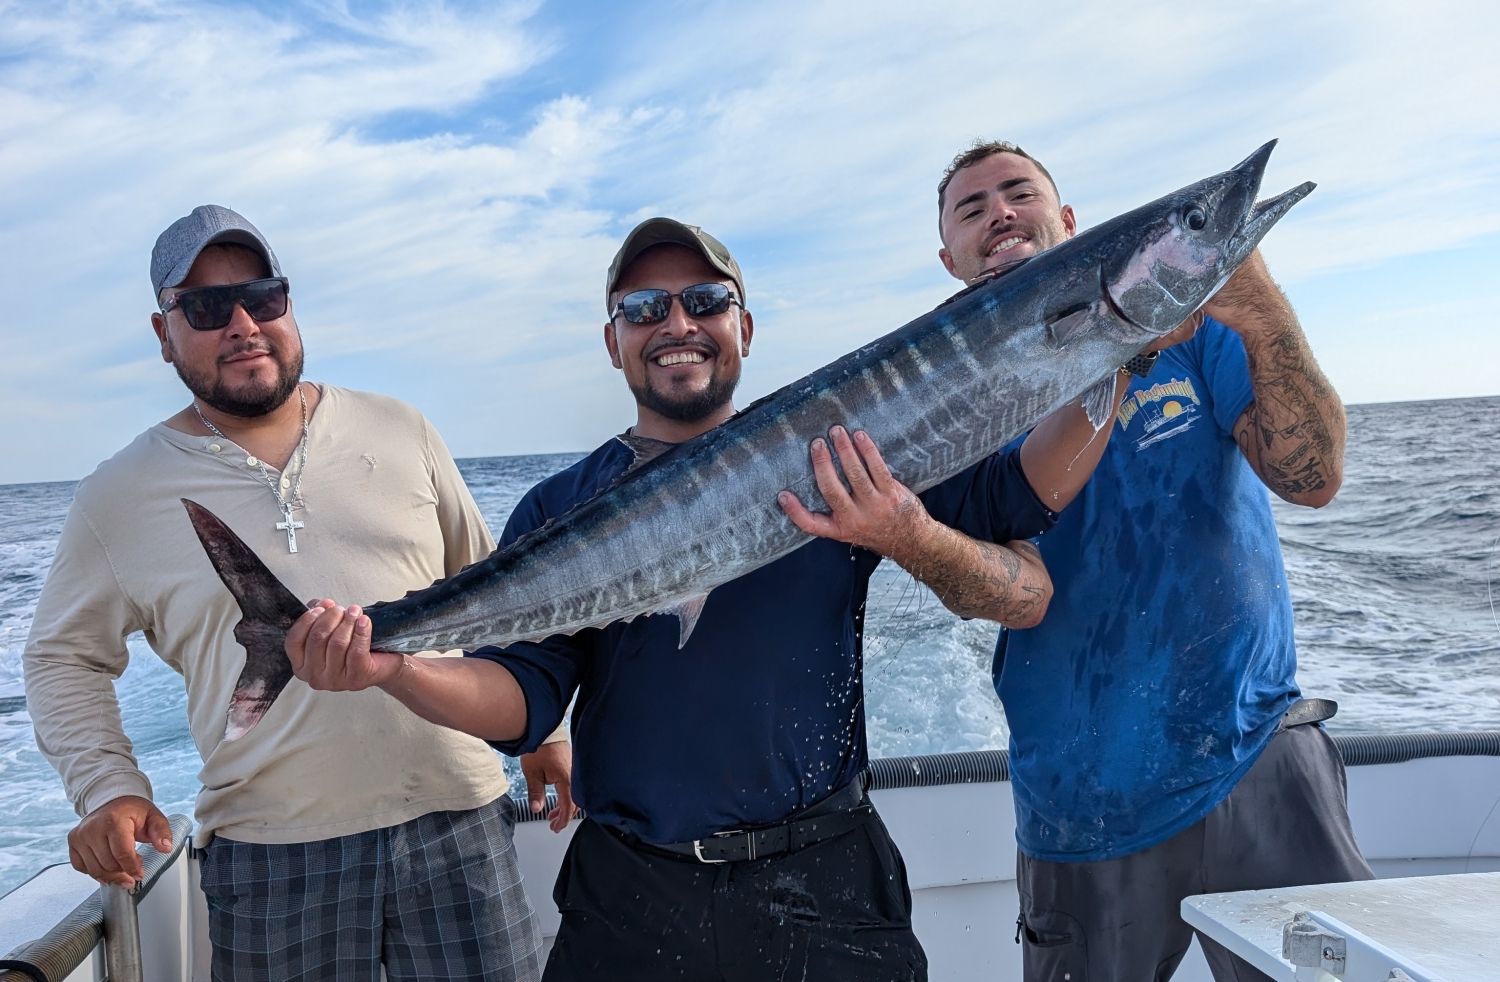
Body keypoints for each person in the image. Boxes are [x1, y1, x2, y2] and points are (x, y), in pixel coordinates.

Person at [284, 217, 1129, 981]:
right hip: (632, 895)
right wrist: (392, 667)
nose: (676, 324)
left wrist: (1120, 349)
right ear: (614, 343)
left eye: (705, 300)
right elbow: (523, 708)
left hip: (828, 883)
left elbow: (1021, 501)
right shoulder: (558, 507)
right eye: (645, 307)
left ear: (743, 328)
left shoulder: (842, 455)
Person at [23, 205, 570, 982]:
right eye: (208, 307)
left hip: (459, 823)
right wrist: (107, 788)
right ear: (163, 332)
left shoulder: (401, 429)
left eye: (264, 296)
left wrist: (549, 735)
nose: (243, 323)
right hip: (271, 857)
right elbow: (61, 659)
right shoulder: (117, 496)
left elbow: (497, 592)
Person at [935, 141, 1373, 981]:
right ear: (949, 257)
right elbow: (998, 593)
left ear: (1067, 220)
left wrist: (1259, 307)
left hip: (1262, 756)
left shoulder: (1196, 334)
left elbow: (1312, 478)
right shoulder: (947, 404)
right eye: (971, 206)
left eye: (1019, 193)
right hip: (1082, 803)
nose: (999, 213)